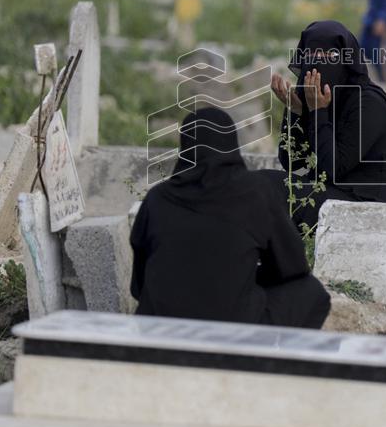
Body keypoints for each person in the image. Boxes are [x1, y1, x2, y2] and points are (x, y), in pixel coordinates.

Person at [130, 106, 330, 329]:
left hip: (159, 329)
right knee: (313, 294)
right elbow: (294, 267)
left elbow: (138, 286)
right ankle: (272, 362)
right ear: (231, 144)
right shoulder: (255, 194)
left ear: (185, 148)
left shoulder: (157, 199)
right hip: (231, 332)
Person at [269, 20, 386, 232]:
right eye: (312, 56)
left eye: (330, 57)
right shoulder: (315, 96)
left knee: (272, 188)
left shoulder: (367, 103)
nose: (319, 64)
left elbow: (334, 168)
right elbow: (292, 163)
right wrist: (294, 112)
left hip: (367, 207)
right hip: (330, 195)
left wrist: (318, 112)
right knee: (265, 184)